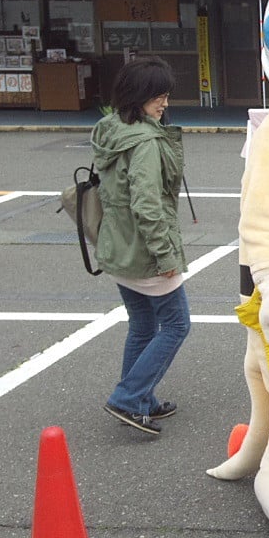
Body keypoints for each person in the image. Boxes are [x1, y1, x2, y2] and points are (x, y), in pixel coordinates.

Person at [92, 56, 190, 436]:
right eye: (158, 97)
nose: (164, 104)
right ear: (138, 97)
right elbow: (147, 203)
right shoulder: (146, 141)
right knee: (177, 324)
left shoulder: (111, 130)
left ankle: (140, 397)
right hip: (145, 252)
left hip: (117, 248)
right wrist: (165, 255)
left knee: (143, 324)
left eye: (165, 96)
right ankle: (129, 397)